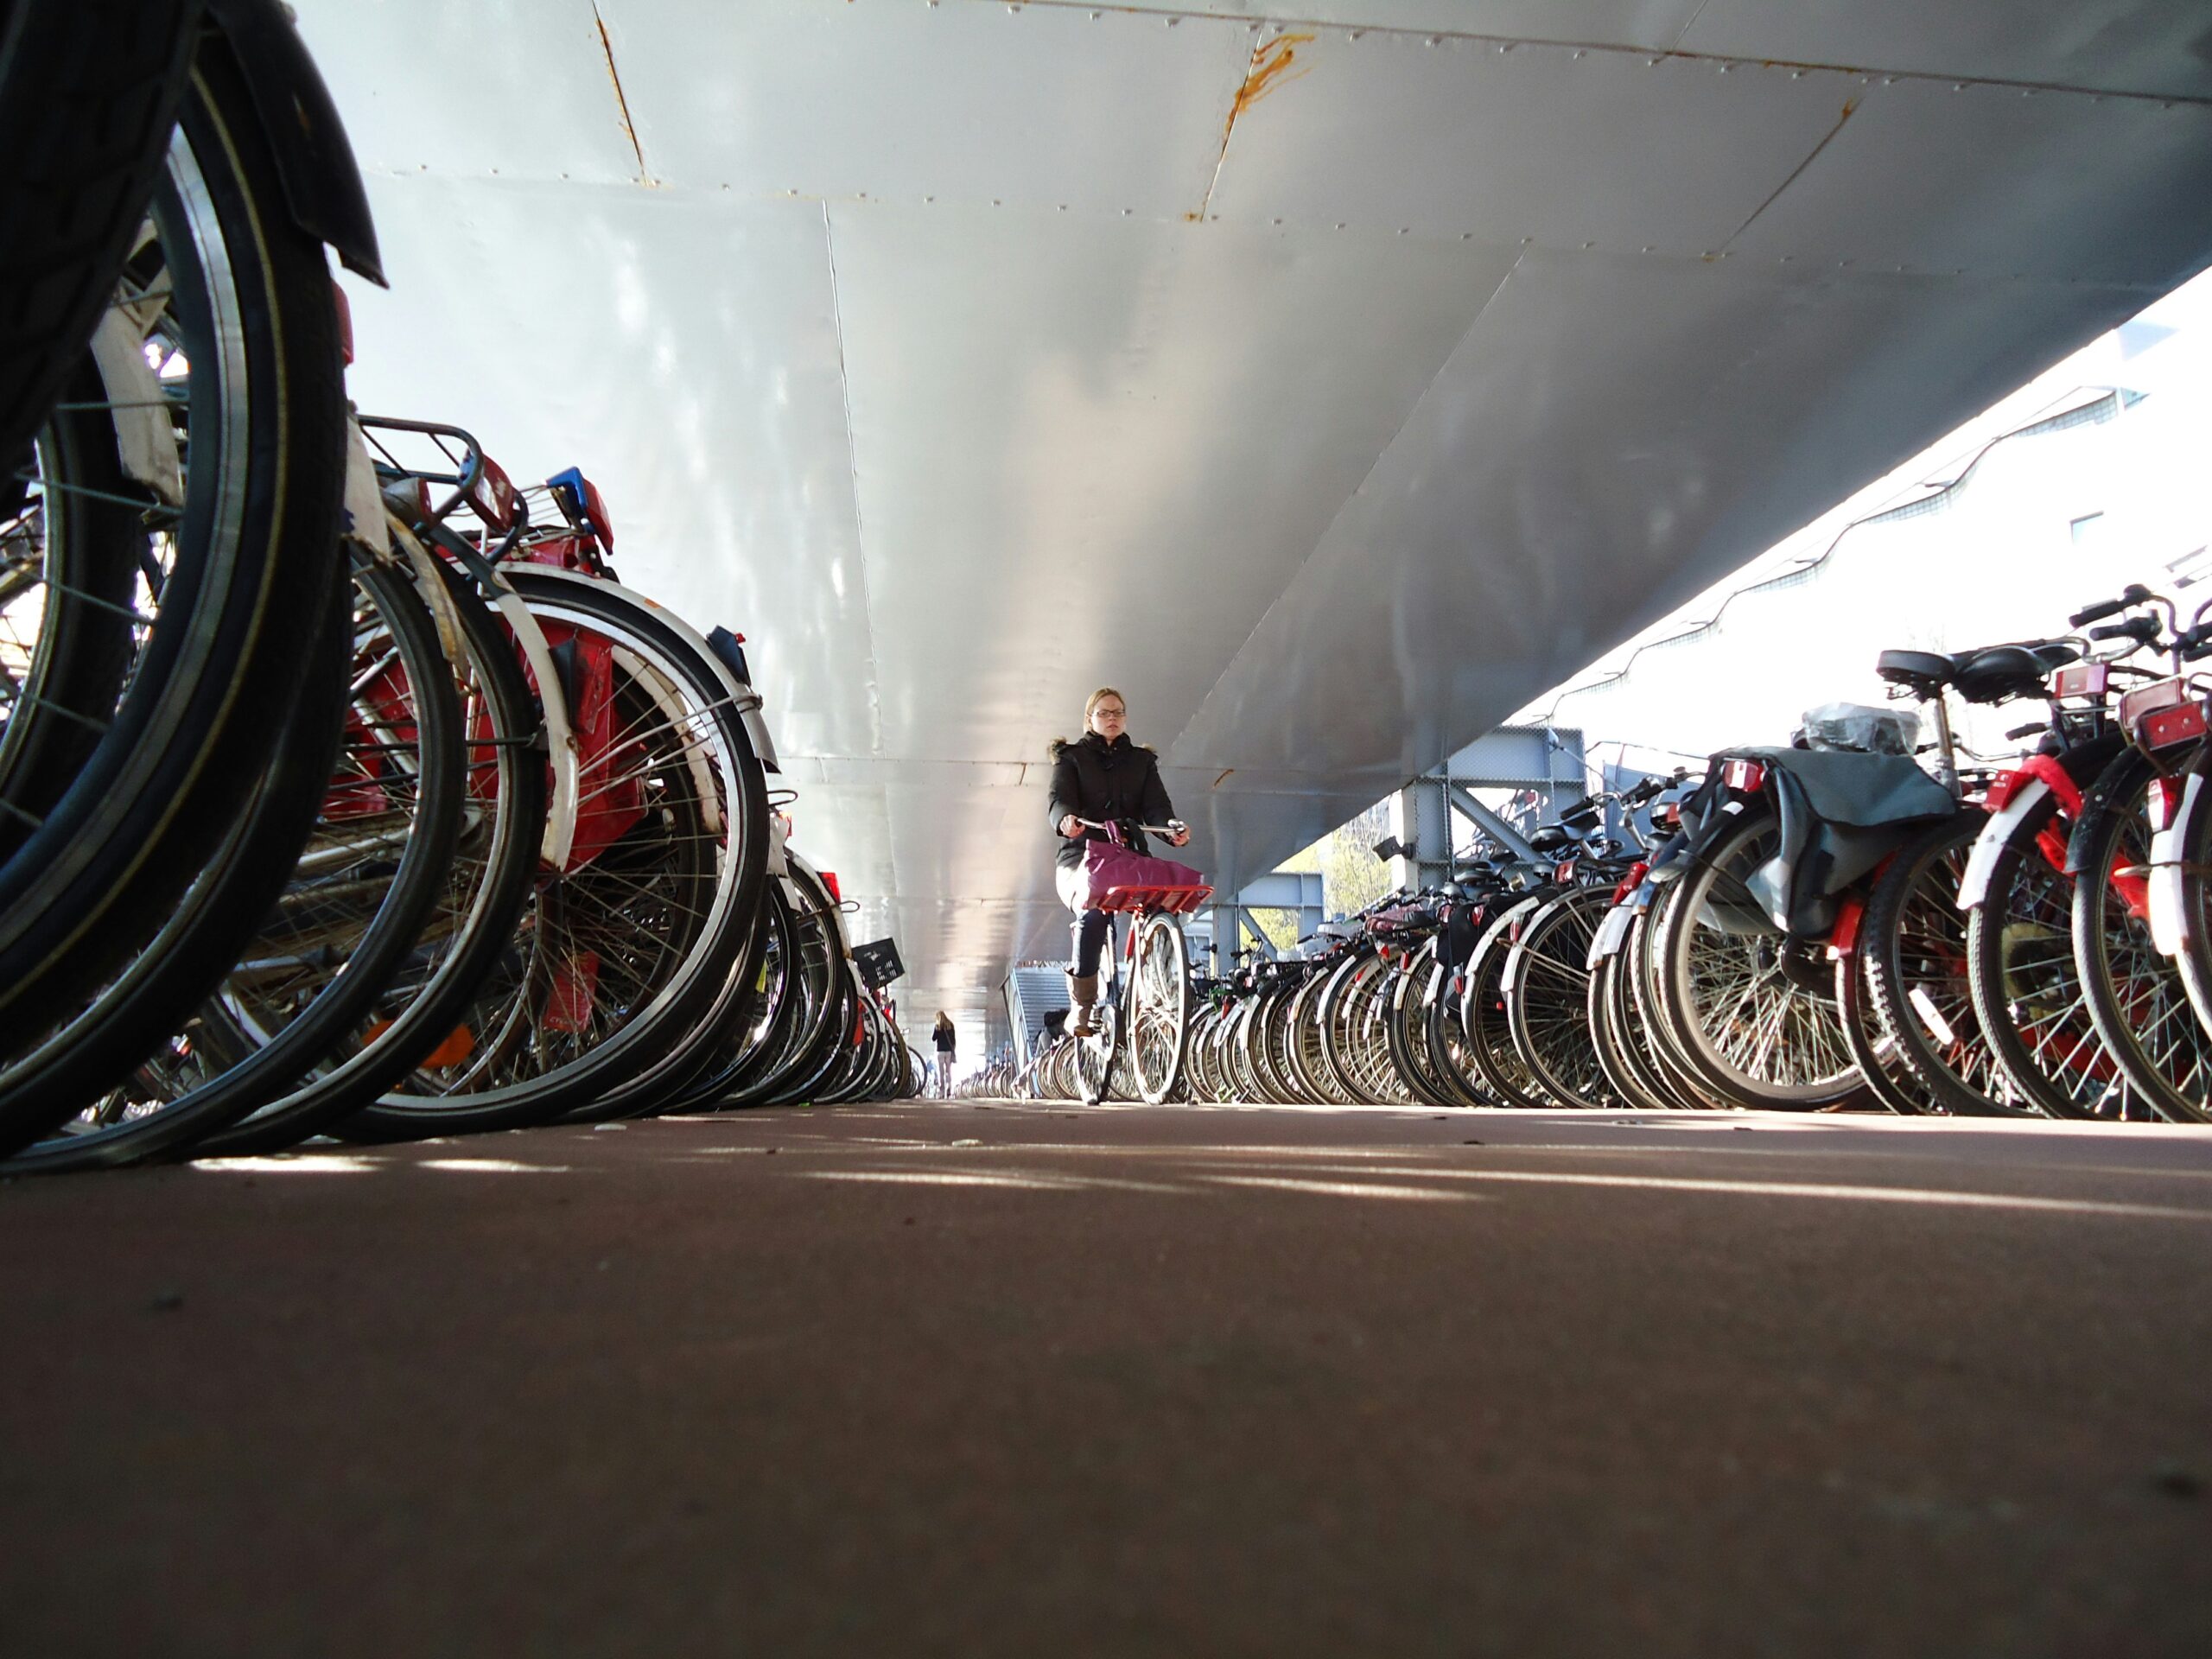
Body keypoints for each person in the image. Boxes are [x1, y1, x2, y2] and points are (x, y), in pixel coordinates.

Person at [1046, 688, 1190, 1036]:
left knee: (1163, 908)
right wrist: (1066, 820)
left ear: (1125, 718)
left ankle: (1165, 985)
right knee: (1092, 913)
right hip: (1080, 858)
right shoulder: (1071, 758)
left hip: (1128, 859)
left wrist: (1171, 829)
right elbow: (1058, 801)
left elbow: (1156, 807)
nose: (1111, 718)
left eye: (1118, 713)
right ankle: (1083, 1004)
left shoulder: (1141, 762)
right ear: (1090, 719)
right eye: (1104, 713)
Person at [931, 1011, 956, 1096]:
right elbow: (953, 1039)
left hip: (940, 1051)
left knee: (941, 1071)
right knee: (948, 1070)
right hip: (948, 1051)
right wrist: (953, 1049)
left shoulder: (938, 1027)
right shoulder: (951, 1025)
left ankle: (941, 1090)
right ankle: (949, 1087)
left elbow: (933, 1038)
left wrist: (938, 1032)